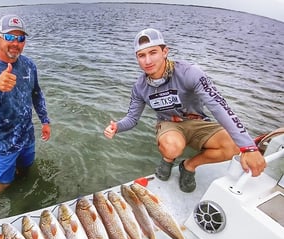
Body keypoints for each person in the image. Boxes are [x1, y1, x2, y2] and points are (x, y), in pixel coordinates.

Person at [103, 28, 266, 193]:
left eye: (153, 52)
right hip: (169, 124)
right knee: (173, 147)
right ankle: (168, 159)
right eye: (141, 55)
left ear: (165, 51)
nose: (147, 60)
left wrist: (248, 147)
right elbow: (132, 118)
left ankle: (188, 166)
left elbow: (218, 105)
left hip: (198, 121)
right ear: (137, 58)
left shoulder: (190, 73)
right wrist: (117, 126)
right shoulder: (139, 87)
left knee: (232, 147)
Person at [0, 14, 51, 194]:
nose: (15, 43)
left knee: (27, 170)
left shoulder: (29, 65)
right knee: (3, 184)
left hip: (27, 136)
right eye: (9, 37)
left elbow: (37, 94)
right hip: (4, 144)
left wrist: (45, 121)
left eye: (20, 38)